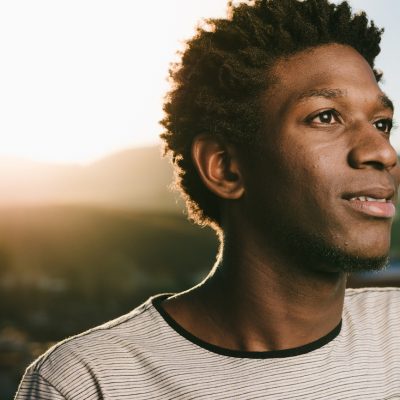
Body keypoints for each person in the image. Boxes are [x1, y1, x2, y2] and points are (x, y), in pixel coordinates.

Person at [15, 0, 400, 398]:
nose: (384, 152)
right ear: (225, 168)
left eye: (381, 124)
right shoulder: (87, 382)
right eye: (325, 116)